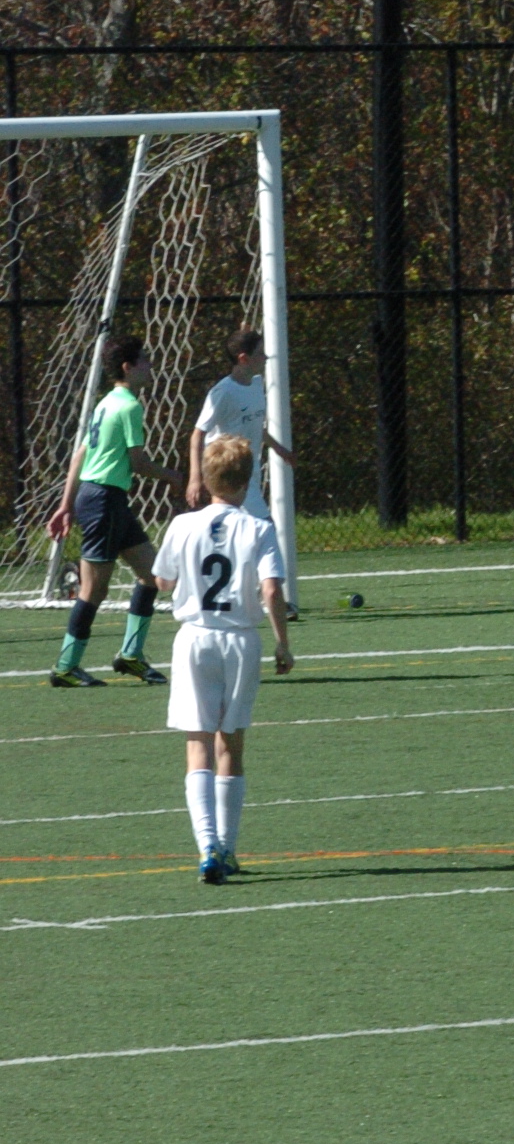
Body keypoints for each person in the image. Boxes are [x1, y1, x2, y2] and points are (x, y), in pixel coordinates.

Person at [155, 437, 292, 883]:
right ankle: (228, 848)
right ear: (247, 481)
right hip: (240, 639)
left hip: (194, 638)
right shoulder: (258, 528)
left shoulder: (182, 524)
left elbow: (162, 581)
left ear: (208, 479)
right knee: (229, 744)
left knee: (197, 742)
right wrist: (282, 643)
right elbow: (271, 590)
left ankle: (207, 847)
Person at [47, 333, 184, 688]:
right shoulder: (128, 407)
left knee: (152, 574)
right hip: (103, 500)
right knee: (93, 590)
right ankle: (65, 667)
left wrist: (66, 504)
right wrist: (173, 476)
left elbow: (80, 455)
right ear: (128, 366)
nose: (150, 365)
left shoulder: (107, 402)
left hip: (108, 500)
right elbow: (138, 463)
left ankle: (130, 655)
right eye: (145, 360)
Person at [189, 326, 298, 618]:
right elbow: (198, 435)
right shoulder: (223, 392)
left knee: (238, 534)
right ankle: (270, 597)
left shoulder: (256, 384)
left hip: (248, 472)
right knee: (264, 528)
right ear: (243, 358)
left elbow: (255, 426)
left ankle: (234, 594)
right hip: (227, 474)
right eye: (260, 353)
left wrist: (280, 449)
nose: (266, 357)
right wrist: (196, 478)